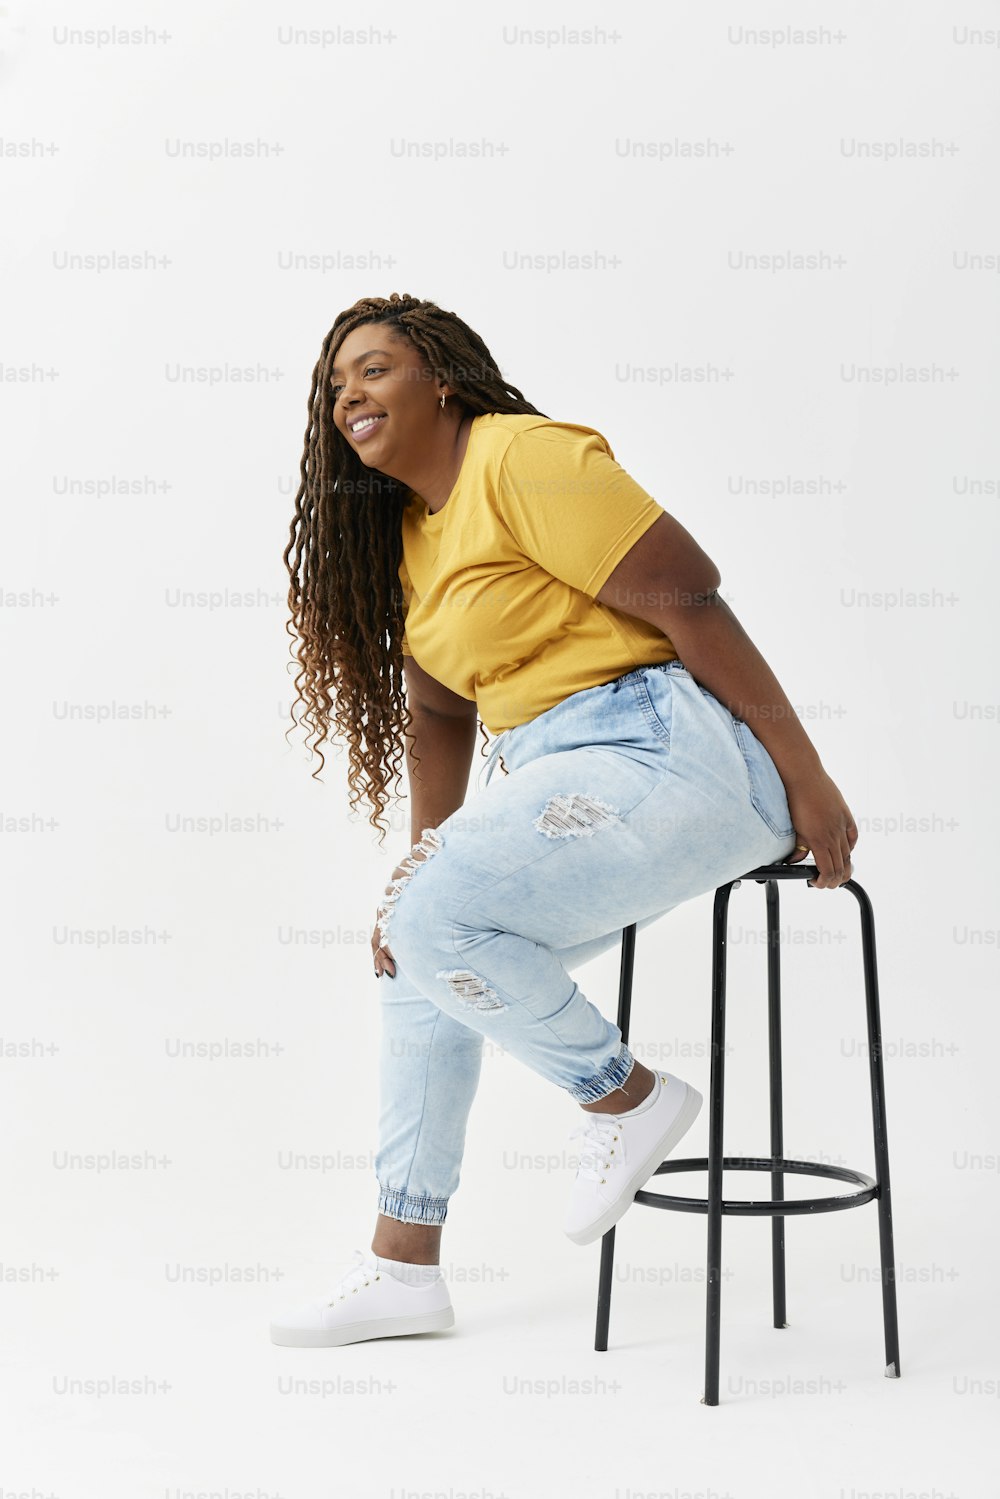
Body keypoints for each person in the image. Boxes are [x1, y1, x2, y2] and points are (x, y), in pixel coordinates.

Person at [271, 292, 858, 1349]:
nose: (347, 393)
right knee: (415, 953)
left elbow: (690, 596)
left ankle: (624, 1097)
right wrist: (416, 878)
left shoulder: (519, 456)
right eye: (335, 383)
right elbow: (440, 709)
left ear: (439, 378)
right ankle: (401, 1265)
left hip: (676, 750)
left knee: (434, 917)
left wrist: (804, 777)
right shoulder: (410, 537)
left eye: (374, 368)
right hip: (561, 771)